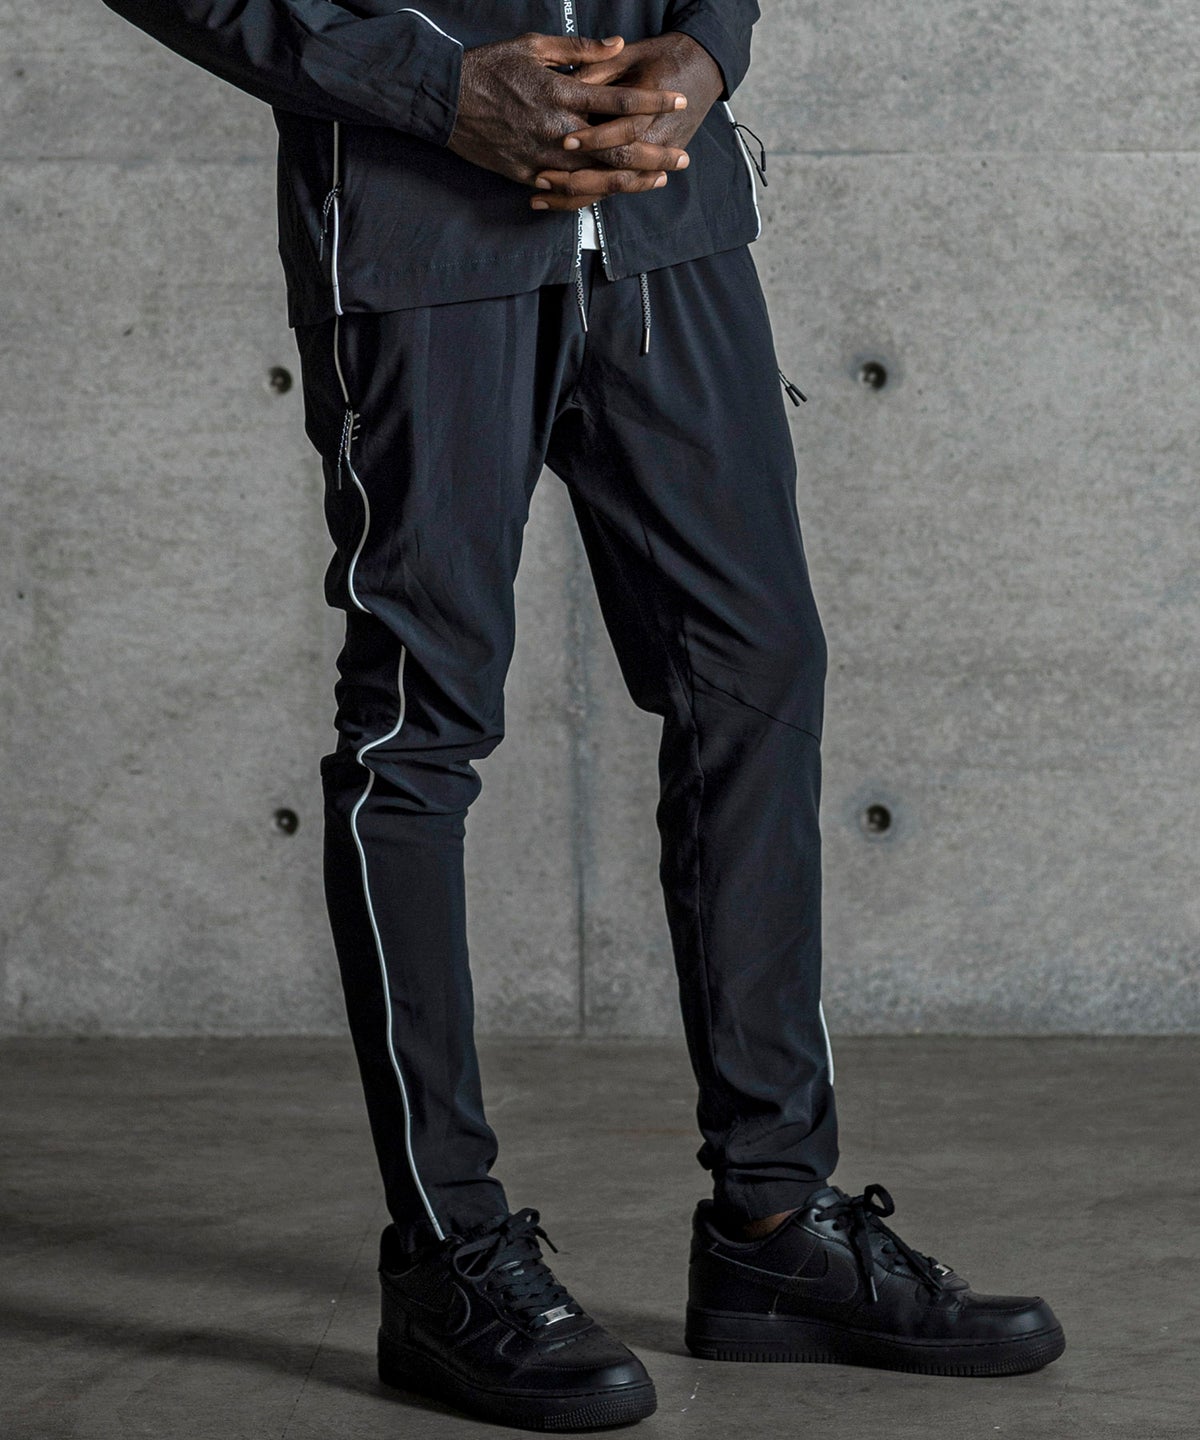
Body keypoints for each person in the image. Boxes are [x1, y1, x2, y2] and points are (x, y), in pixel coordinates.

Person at [101, 2, 1066, 1430]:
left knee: (756, 674)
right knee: (417, 725)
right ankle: (448, 1256)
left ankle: (774, 1226)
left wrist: (709, 49)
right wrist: (430, 86)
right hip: (423, 230)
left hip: (667, 224)